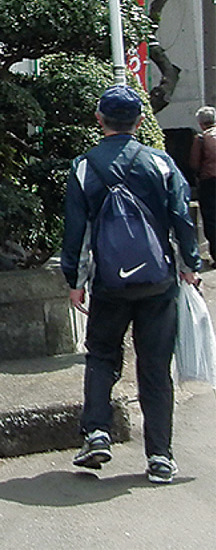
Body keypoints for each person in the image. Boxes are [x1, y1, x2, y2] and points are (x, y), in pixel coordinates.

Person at [61, 86, 202, 486]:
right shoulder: (159, 163)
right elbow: (181, 218)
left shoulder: (85, 167)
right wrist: (190, 265)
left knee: (102, 356)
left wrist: (74, 280)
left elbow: (75, 231)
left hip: (109, 282)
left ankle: (97, 433)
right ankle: (160, 457)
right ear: (141, 122)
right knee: (156, 367)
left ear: (98, 119)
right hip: (158, 282)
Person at [189, 105, 216, 262]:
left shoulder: (201, 139)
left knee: (212, 218)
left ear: (200, 123)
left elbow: (194, 163)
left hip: (209, 182)